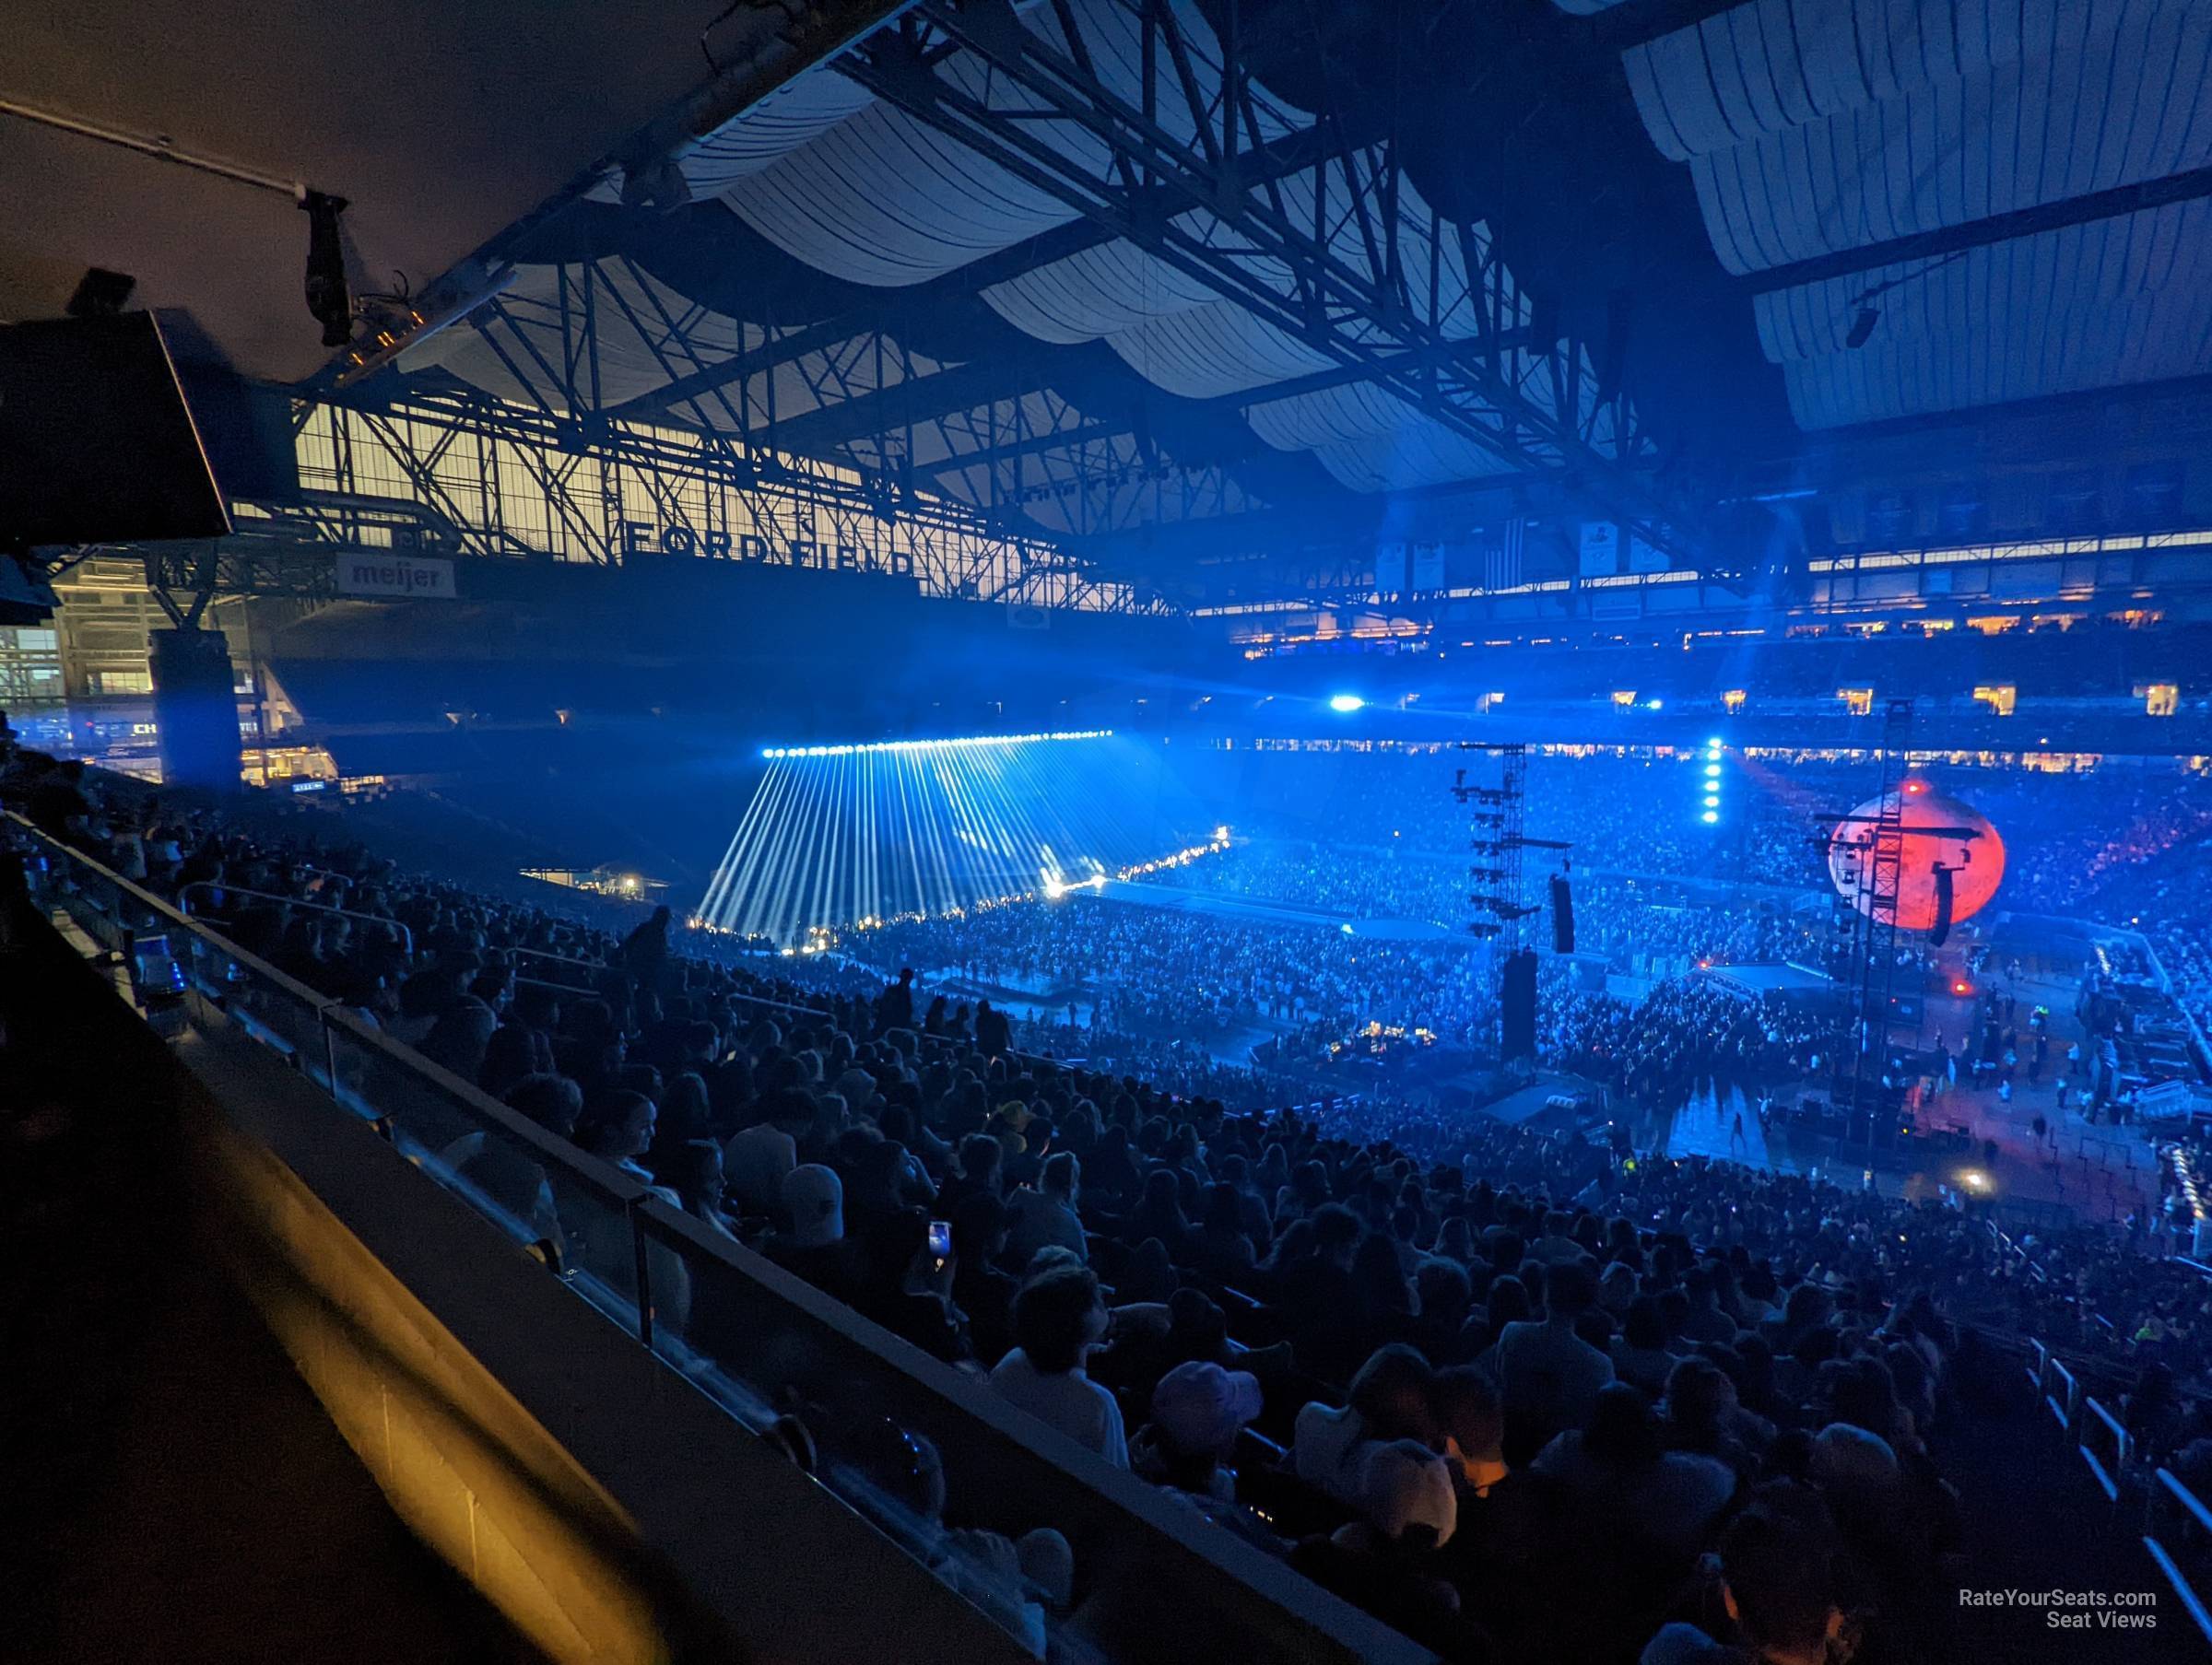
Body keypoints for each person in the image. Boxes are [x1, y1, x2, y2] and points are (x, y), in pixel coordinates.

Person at [990, 1266, 1126, 1467]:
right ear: (1082, 1320)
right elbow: (1116, 1481)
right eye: (1096, 1299)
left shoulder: (1010, 1363)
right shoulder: (1098, 1404)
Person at [1483, 1260, 1616, 1457]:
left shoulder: (1513, 1333)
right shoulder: (1599, 1364)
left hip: (1504, 1445)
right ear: (1586, 1301)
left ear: (1545, 1294)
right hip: (1560, 1460)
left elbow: (1501, 1381)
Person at [1005, 1152, 1088, 1270]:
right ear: (1072, 1184)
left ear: (1044, 1175)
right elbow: (1082, 1259)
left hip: (1006, 1265)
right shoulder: (1071, 1221)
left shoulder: (1020, 1195)